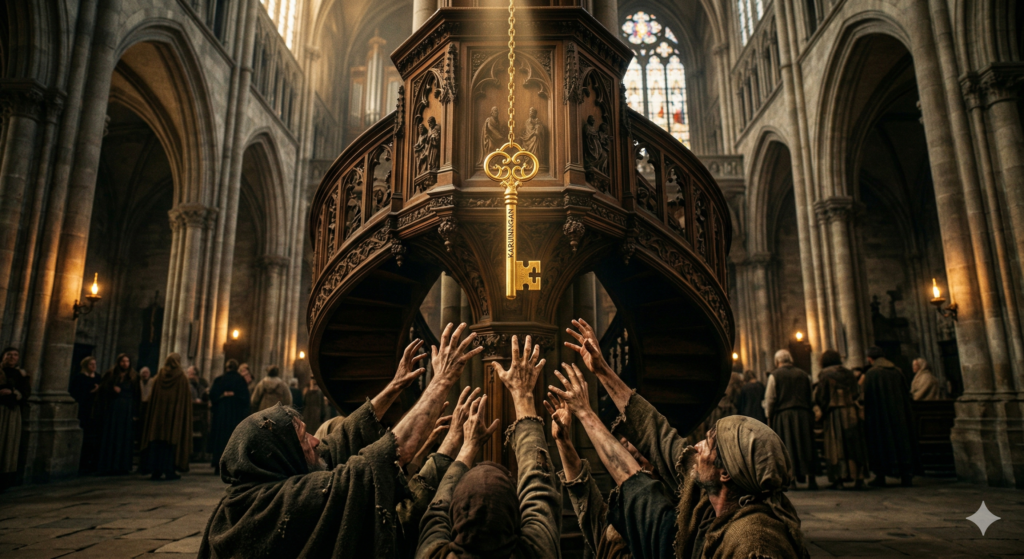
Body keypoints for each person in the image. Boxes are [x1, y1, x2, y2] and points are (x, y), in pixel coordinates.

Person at [199, 323, 484, 559]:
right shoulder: (282, 502)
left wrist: (396, 385)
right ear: (280, 454)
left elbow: (337, 440)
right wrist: (442, 380)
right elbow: (378, 461)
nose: (314, 441)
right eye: (302, 438)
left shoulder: (261, 479)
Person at [558, 319, 809, 559]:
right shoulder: (715, 499)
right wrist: (601, 369)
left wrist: (585, 413)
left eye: (708, 444)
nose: (696, 446)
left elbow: (642, 493)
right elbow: (657, 433)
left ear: (726, 472)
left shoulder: (754, 542)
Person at [417, 335, 562, 559]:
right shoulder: (536, 553)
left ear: (455, 512)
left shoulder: (432, 554)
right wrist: (523, 396)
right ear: (514, 513)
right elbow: (538, 488)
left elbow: (436, 509)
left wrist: (465, 448)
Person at [547, 391, 642, 559]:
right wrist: (563, 441)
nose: (627, 448)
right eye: (625, 443)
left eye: (635, 446)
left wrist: (585, 413)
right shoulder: (616, 528)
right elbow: (584, 496)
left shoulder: (663, 529)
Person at [813, 350, 868, 490]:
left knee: (836, 447)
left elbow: (821, 396)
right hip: (851, 412)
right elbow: (857, 392)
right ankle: (859, 478)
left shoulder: (825, 374)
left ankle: (839, 479)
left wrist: (822, 408)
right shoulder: (849, 373)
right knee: (854, 446)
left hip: (835, 413)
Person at [764, 349, 817, 490]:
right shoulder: (804, 375)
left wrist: (769, 415)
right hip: (803, 414)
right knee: (807, 446)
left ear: (777, 361)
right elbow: (810, 396)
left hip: (784, 415)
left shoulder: (774, 376)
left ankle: (791, 480)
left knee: (788, 447)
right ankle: (811, 479)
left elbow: (770, 399)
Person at [863, 346, 916, 487]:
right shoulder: (897, 371)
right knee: (902, 443)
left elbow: (866, 396)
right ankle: (906, 475)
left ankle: (880, 476)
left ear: (870, 358)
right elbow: (906, 393)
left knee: (881, 443)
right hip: (899, 415)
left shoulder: (872, 373)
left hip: (879, 416)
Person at [141, 353, 192, 480]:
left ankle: (156, 471)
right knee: (170, 442)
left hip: (158, 418)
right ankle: (170, 470)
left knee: (158, 441)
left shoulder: (159, 377)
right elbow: (185, 401)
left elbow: (152, 398)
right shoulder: (181, 378)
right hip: (173, 418)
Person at [95, 353, 141, 475]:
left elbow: (137, 394)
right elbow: (103, 389)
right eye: (123, 361)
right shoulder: (111, 374)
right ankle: (108, 465)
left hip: (127, 409)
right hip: (113, 409)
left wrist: (136, 412)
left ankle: (122, 466)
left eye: (127, 361)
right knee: (111, 435)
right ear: (119, 362)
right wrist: (112, 389)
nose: (125, 364)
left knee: (124, 436)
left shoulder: (134, 376)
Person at [208, 359, 250, 474]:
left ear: (226, 367)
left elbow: (212, 395)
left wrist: (223, 396)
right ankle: (232, 464)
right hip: (235, 414)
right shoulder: (240, 380)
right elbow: (245, 398)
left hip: (221, 413)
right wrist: (235, 395)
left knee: (221, 438)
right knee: (232, 438)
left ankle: (218, 464)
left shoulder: (219, 379)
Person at [1, 347, 30, 491]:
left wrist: (14, 392)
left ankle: (5, 477)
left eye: (15, 355)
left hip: (11, 411)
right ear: (3, 356)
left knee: (8, 442)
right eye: (9, 355)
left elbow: (26, 393)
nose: (12, 357)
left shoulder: (21, 374)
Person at [69, 355, 101, 473]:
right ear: (85, 365)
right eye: (91, 364)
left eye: (95, 364)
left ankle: (90, 461)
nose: (93, 366)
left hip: (94, 410)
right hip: (83, 409)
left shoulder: (98, 377)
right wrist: (92, 391)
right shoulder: (79, 378)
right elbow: (76, 392)